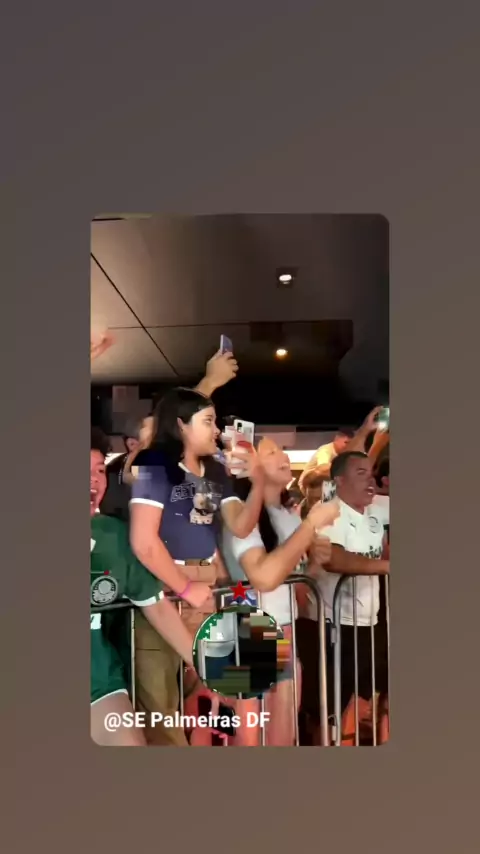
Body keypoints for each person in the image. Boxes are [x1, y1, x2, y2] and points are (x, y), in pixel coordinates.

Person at [128, 386, 265, 744]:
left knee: (205, 700)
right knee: (161, 709)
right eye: (208, 421)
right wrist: (185, 587)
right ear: (181, 424)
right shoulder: (155, 465)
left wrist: (258, 482)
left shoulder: (216, 470)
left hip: (205, 589)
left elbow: (240, 525)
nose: (216, 430)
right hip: (161, 588)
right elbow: (143, 541)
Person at [220, 438, 340, 745]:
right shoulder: (243, 515)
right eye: (271, 452)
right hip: (249, 633)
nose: (283, 455)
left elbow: (294, 582)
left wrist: (315, 564)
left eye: (281, 450)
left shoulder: (288, 515)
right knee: (250, 735)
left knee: (283, 733)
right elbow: (264, 577)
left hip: (285, 631)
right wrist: (310, 526)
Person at [90, 427, 201, 746]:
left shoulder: (113, 536)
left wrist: (206, 666)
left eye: (99, 470)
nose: (94, 480)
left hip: (99, 683)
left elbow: (156, 607)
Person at [314, 451, 390, 745]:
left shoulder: (378, 507)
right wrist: (385, 566)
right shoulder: (328, 512)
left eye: (371, 473)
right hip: (336, 625)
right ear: (339, 481)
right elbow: (332, 558)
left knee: (370, 697)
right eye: (361, 474)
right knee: (336, 707)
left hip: (372, 622)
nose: (370, 480)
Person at [298, 407, 385, 493]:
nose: (347, 440)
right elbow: (325, 472)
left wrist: (366, 432)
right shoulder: (326, 450)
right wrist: (376, 443)